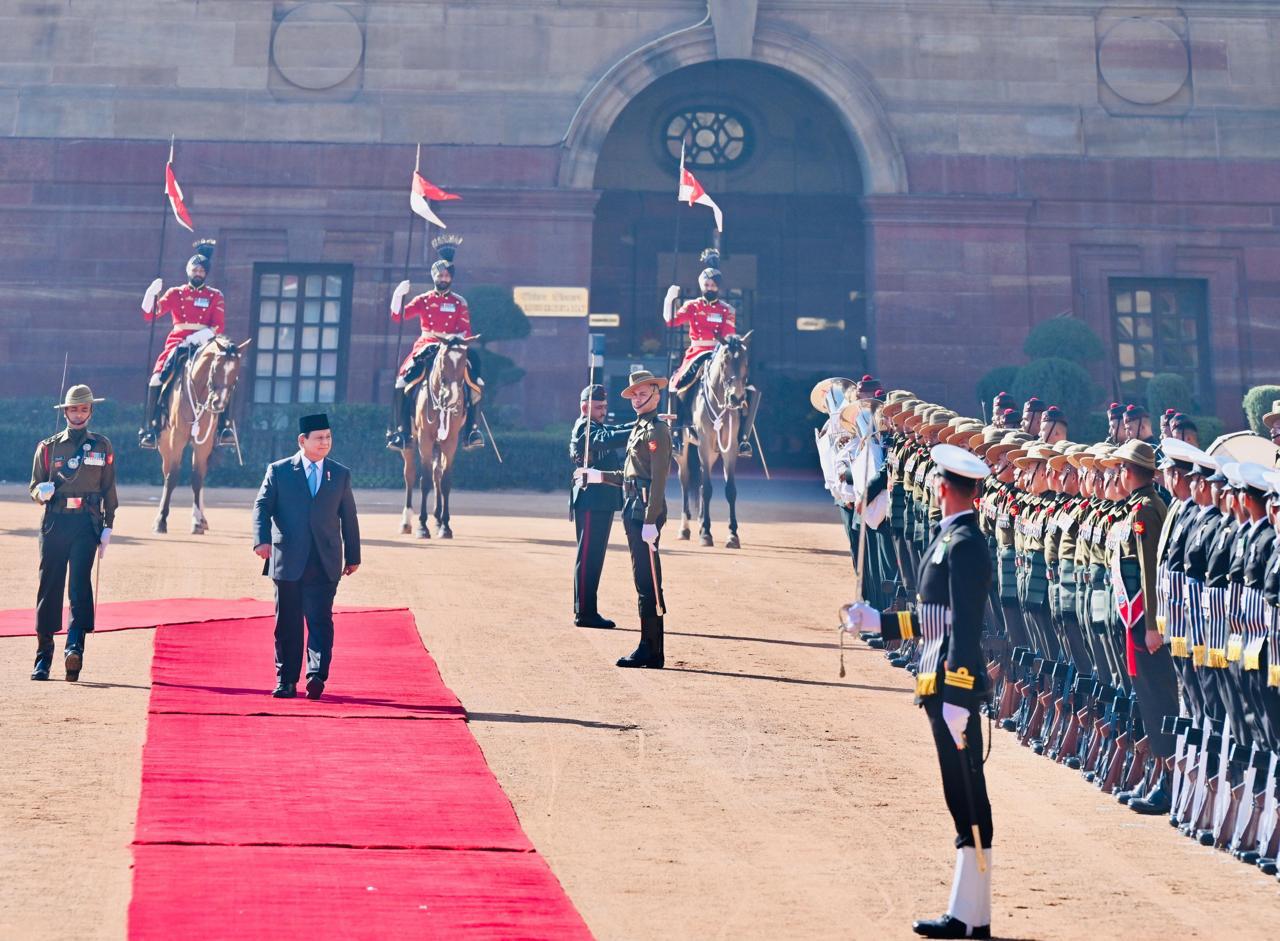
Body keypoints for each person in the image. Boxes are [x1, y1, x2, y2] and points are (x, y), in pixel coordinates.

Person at [843, 443, 995, 939]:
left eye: (936, 482)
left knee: (968, 793)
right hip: (936, 674)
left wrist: (959, 691)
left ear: (947, 488)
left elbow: (967, 625)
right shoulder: (950, 536)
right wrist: (878, 621)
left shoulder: (967, 542)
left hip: (952, 682)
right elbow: (934, 619)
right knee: (959, 793)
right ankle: (969, 913)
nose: (932, 487)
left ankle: (972, 915)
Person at [252, 413, 361, 700]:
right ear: (303, 441)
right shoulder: (279, 471)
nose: (325, 442)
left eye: (328, 437)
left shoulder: (339, 474)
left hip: (324, 560)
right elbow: (262, 507)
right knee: (287, 623)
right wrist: (261, 540)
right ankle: (286, 680)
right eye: (319, 438)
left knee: (320, 619)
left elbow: (349, 517)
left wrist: (353, 556)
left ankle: (316, 675)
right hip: (286, 558)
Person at [29, 384, 118, 682]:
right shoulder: (48, 447)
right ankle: (43, 657)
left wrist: (108, 525)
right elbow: (34, 487)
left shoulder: (101, 446)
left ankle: (74, 649)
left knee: (80, 586)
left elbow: (108, 490)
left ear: (90, 411)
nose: (78, 414)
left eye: (84, 408)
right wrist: (41, 493)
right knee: (49, 586)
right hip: (54, 522)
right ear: (65, 411)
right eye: (73, 409)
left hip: (85, 524)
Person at [387, 236, 484, 451]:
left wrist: (455, 341)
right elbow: (398, 317)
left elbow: (466, 330)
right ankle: (400, 432)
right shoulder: (423, 300)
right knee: (402, 381)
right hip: (427, 344)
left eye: (447, 275)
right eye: (440, 274)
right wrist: (397, 295)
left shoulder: (459, 302)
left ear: (451, 278)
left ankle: (472, 431)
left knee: (476, 379)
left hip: (453, 346)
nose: (444, 278)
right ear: (434, 276)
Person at [139, 240, 234, 449]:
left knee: (225, 374)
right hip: (177, 341)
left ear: (206, 273)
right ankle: (150, 429)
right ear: (188, 270)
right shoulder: (176, 293)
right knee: (156, 378)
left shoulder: (215, 296)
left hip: (205, 342)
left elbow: (218, 326)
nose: (198, 272)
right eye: (195, 268)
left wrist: (196, 338)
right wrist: (150, 294)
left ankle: (224, 428)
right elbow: (151, 314)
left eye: (202, 269)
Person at [662, 247, 752, 457]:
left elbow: (729, 335)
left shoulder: (727, 309)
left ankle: (743, 439)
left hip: (719, 352)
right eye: (706, 284)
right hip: (697, 351)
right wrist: (669, 299)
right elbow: (671, 321)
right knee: (676, 384)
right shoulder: (692, 306)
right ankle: (676, 435)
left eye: (712, 285)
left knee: (743, 387)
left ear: (718, 287)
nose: (709, 288)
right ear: (701, 285)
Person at [614, 370, 672, 669]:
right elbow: (631, 474)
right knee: (642, 577)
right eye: (634, 394)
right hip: (632, 503)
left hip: (645, 508)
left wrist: (651, 520)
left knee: (647, 579)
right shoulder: (641, 426)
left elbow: (659, 477)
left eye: (642, 393)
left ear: (656, 394)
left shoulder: (657, 430)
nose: (637, 398)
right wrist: (599, 476)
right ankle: (652, 647)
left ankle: (649, 646)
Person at [569, 384, 632, 629]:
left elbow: (612, 430)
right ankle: (584, 613)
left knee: (594, 558)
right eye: (598, 407)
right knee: (588, 558)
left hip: (600, 501)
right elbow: (604, 438)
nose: (603, 411)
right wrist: (639, 427)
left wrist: (642, 424)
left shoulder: (595, 425)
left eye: (605, 406)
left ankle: (587, 610)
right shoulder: (584, 427)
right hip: (590, 500)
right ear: (585, 407)